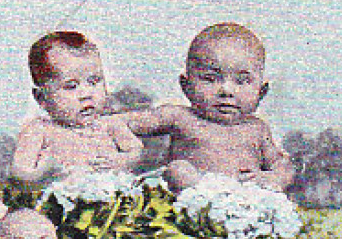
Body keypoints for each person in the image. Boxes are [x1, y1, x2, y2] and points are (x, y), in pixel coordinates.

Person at [117, 22, 295, 193]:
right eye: (210, 79)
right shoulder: (180, 117)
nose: (226, 90)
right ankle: (201, 196)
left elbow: (282, 164)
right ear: (186, 87)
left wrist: (274, 177)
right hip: (189, 204)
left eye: (242, 81)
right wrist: (100, 124)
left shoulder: (257, 129)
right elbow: (131, 121)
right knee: (179, 170)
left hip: (240, 206)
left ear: (261, 92)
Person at [9, 31, 143, 185]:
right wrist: (42, 174)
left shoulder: (109, 125)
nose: (86, 94)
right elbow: (19, 172)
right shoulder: (39, 131)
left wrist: (122, 161)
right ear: (42, 98)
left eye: (94, 81)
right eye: (71, 86)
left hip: (113, 198)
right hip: (63, 203)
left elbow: (136, 151)